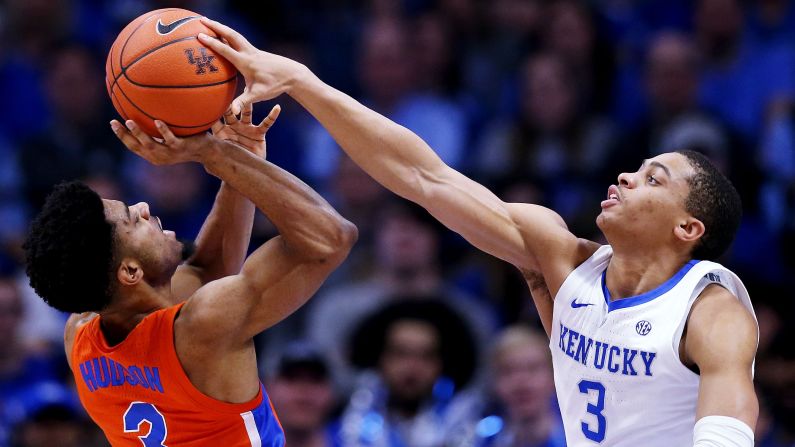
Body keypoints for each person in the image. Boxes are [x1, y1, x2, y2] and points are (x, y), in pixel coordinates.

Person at [198, 19, 759, 446]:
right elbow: (422, 175)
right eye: (636, 168)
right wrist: (301, 81)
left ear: (688, 227)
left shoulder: (709, 310)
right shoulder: (560, 259)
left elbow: (730, 423)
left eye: (652, 179)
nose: (626, 177)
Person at [22, 104, 358, 446]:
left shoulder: (79, 335)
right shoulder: (204, 325)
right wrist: (213, 153)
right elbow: (330, 239)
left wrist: (239, 161)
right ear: (130, 271)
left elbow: (204, 269)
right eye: (131, 220)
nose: (143, 208)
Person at [264, 340, 340, 447]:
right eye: (291, 379)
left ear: (333, 392)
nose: (303, 392)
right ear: (267, 388)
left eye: (315, 380)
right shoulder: (243, 441)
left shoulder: (357, 441)